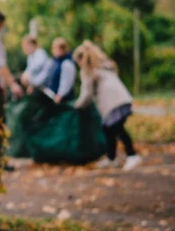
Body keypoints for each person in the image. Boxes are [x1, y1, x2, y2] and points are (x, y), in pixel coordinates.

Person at [72, 40, 141, 170]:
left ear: (81, 59)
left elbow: (87, 93)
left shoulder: (88, 70)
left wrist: (77, 106)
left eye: (78, 62)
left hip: (113, 103)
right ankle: (111, 157)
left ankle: (132, 156)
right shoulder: (103, 66)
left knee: (117, 129)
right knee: (108, 129)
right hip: (121, 99)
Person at [44, 37, 76, 103]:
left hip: (63, 100)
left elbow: (66, 82)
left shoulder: (67, 63)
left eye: (59, 48)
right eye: (54, 48)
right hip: (51, 96)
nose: (56, 50)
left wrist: (60, 95)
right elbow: (46, 76)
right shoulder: (52, 61)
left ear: (64, 49)